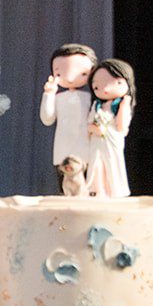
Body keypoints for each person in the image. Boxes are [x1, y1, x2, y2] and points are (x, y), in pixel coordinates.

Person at [39, 43, 97, 194]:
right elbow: (47, 118)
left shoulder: (90, 98)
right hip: (62, 149)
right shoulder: (59, 98)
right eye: (60, 72)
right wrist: (49, 95)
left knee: (85, 186)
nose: (70, 77)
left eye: (81, 73)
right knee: (65, 188)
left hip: (86, 149)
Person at [84, 57, 136, 198]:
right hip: (97, 140)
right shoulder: (96, 105)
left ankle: (114, 191)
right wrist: (94, 129)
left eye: (116, 82)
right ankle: (98, 190)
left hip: (112, 139)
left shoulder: (121, 105)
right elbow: (89, 123)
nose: (105, 89)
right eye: (97, 86)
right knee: (97, 165)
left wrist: (124, 106)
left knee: (112, 164)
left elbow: (121, 127)